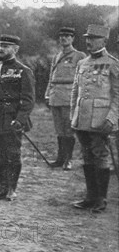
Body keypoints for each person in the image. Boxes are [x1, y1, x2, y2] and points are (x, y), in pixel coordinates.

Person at [70, 24, 118, 213]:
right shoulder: (82, 63)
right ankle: (90, 197)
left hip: (101, 120)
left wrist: (112, 118)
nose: (88, 41)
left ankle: (101, 199)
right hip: (81, 119)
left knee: (101, 156)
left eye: (94, 38)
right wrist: (73, 116)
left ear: (104, 41)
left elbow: (118, 94)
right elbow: (75, 91)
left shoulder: (113, 63)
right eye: (88, 38)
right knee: (87, 156)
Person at [0, 34, 35, 201]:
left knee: (13, 154)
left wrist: (20, 120)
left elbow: (28, 99)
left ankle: (12, 189)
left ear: (15, 49)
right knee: (1, 155)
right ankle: (2, 188)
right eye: (0, 45)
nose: (1, 49)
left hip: (12, 119)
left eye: (5, 46)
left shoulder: (23, 71)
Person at [44, 27, 86, 170]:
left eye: (67, 36)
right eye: (62, 36)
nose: (64, 38)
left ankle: (68, 159)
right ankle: (60, 158)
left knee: (68, 130)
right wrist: (47, 94)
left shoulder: (79, 56)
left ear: (73, 38)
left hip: (69, 96)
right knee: (59, 130)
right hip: (55, 96)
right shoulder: (57, 56)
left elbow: (83, 78)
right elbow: (51, 77)